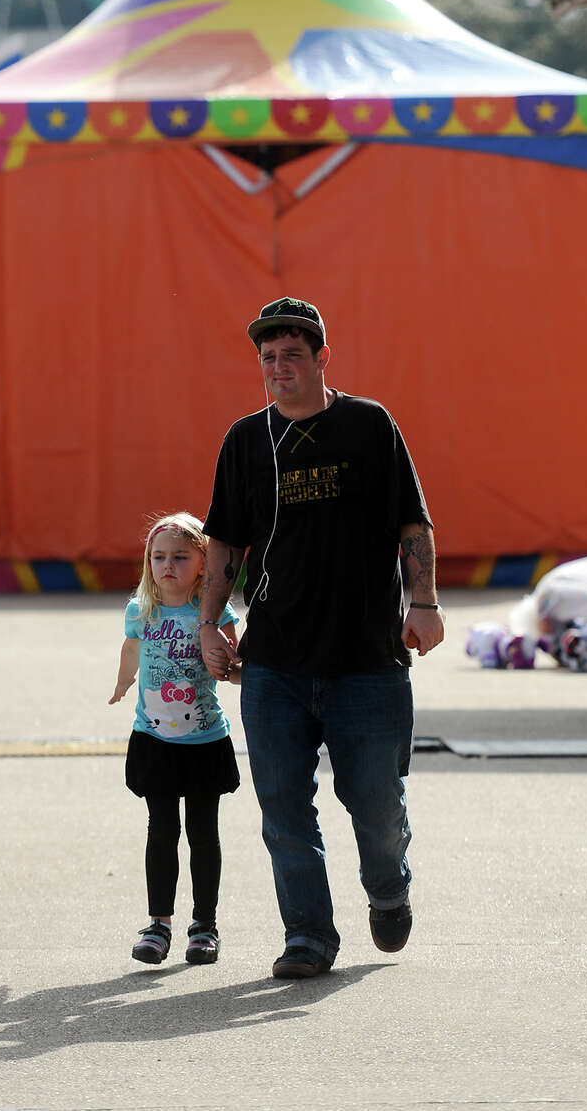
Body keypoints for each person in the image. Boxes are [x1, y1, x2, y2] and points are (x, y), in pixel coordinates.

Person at [198, 296, 443, 981]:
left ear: (322, 358)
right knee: (283, 808)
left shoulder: (369, 425)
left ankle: (388, 889)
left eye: (292, 355)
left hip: (367, 659)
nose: (278, 367)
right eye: (268, 357)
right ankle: (308, 935)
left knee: (376, 803)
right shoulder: (245, 441)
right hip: (274, 662)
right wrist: (209, 622)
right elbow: (225, 543)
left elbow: (412, 524)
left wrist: (424, 602)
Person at [109, 512, 242, 967]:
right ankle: (158, 924)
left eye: (181, 557)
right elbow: (131, 648)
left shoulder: (213, 612)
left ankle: (204, 925)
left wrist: (236, 670)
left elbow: (232, 661)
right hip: (154, 741)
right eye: (159, 556)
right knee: (162, 831)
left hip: (204, 740)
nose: (168, 565)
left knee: (203, 834)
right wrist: (123, 681)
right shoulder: (140, 610)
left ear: (204, 563)